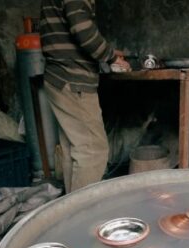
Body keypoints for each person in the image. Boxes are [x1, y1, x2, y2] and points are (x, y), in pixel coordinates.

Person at [40, 0, 130, 193]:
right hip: (73, 79)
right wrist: (112, 57)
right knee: (93, 151)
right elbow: (84, 32)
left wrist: (110, 52)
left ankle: (70, 212)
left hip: (58, 77)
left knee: (74, 150)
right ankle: (82, 215)